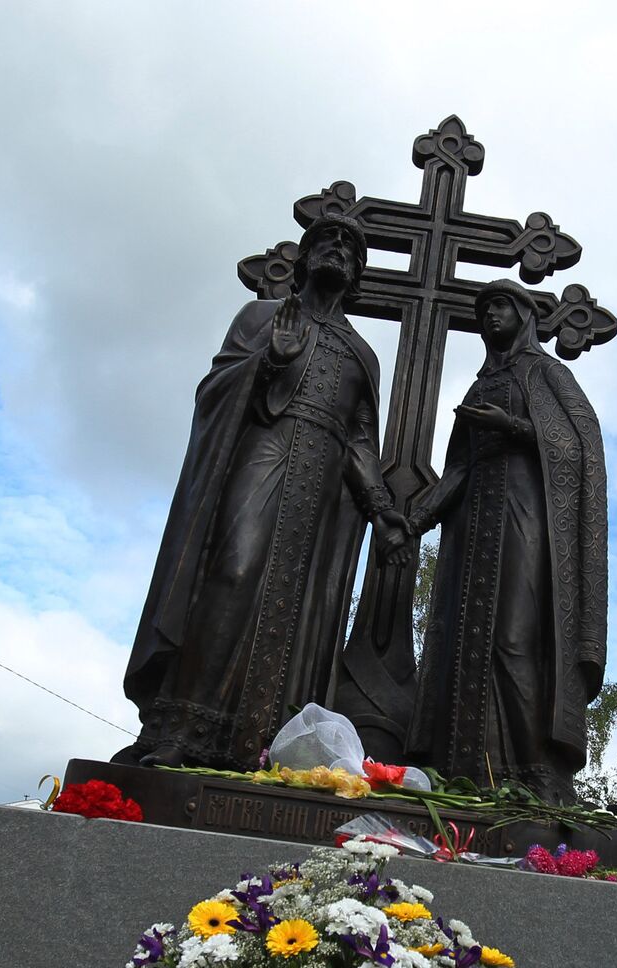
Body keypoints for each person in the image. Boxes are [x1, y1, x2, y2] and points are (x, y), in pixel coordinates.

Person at [116, 215, 412, 770]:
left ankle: (261, 743)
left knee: (298, 609)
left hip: (320, 487)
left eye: (351, 249)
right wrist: (270, 357)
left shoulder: (361, 354)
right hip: (263, 453)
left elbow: (360, 441)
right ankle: (182, 729)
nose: (340, 252)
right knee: (233, 570)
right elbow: (215, 389)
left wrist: (380, 510)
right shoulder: (262, 316)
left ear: (358, 274)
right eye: (329, 242)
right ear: (304, 257)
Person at [405, 280, 607, 803]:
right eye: (484, 309)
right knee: (462, 639)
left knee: (516, 639)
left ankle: (537, 770)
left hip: (528, 523)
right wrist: (414, 519)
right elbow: (458, 467)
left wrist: (515, 427)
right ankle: (467, 770)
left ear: (523, 313)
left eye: (500, 305)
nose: (490, 315)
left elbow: (579, 445)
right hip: (474, 531)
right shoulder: (477, 388)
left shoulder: (547, 373)